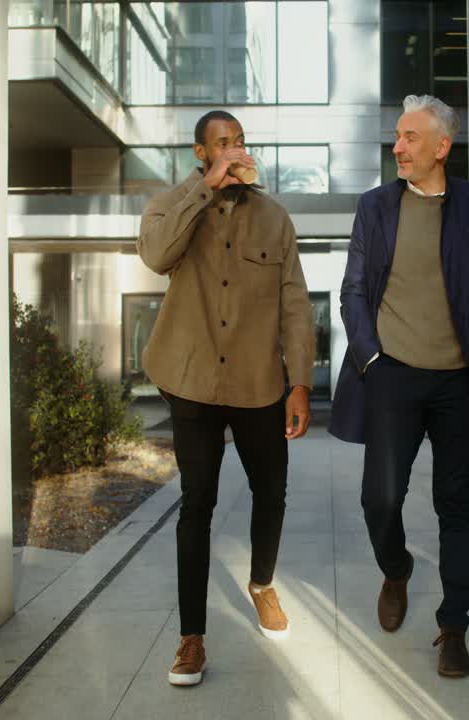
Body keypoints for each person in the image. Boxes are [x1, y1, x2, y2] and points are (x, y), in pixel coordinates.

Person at [329, 94, 469, 677]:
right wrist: (370, 359)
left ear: (442, 147)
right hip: (392, 375)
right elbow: (354, 290)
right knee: (379, 499)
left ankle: (454, 626)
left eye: (410, 137)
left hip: (459, 383)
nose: (398, 146)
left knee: (455, 506)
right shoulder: (375, 207)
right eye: (397, 136)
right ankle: (396, 570)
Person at [137, 110, 315, 687]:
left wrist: (300, 383)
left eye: (238, 141)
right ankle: (192, 638)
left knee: (272, 491)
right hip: (192, 380)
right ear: (201, 153)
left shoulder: (275, 218)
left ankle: (262, 584)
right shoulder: (170, 205)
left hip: (258, 383)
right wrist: (203, 190)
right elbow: (156, 256)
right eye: (221, 144)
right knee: (197, 502)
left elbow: (295, 304)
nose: (234, 151)